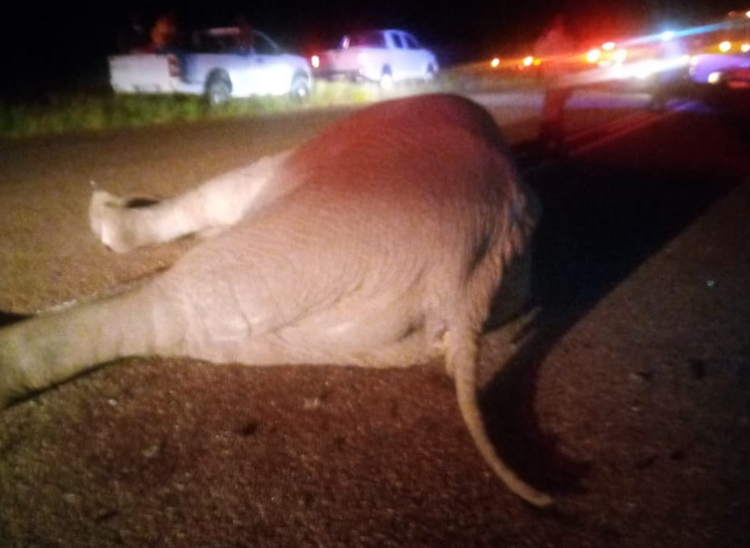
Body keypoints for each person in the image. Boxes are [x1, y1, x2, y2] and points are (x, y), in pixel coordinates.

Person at [533, 15, 578, 154]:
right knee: (557, 112)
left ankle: (548, 142)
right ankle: (557, 142)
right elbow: (572, 62)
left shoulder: (544, 42)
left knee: (549, 113)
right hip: (565, 81)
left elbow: (538, 58)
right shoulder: (567, 41)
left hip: (554, 81)